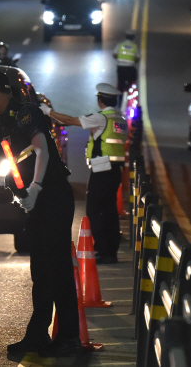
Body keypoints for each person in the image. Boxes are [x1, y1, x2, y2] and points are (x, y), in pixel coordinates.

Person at [0, 70, 81, 357]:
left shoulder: (26, 113)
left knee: (57, 270)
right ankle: (39, 335)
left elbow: (42, 150)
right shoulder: (5, 125)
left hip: (52, 199)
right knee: (42, 271)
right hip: (38, 204)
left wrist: (36, 187)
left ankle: (67, 338)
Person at [39, 83, 127, 265]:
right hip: (116, 169)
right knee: (109, 211)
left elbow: (72, 120)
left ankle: (103, 251)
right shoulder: (120, 120)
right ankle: (111, 251)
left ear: (100, 100)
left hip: (102, 170)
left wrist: (48, 112)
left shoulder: (101, 118)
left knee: (95, 210)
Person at [112, 30, 140, 99]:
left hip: (120, 68)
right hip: (130, 68)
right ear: (133, 38)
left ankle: (120, 99)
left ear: (125, 37)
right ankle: (130, 94)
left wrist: (120, 60)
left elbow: (114, 54)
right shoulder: (134, 47)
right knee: (132, 81)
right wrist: (132, 61)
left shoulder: (120, 45)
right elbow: (138, 58)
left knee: (120, 83)